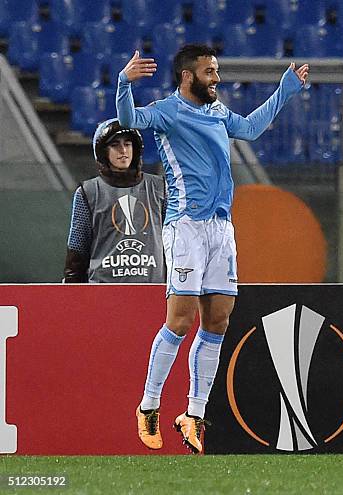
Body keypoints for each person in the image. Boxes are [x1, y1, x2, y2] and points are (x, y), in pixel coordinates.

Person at [116, 44, 309, 453]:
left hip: (221, 229)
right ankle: (149, 405)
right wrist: (124, 84)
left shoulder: (218, 113)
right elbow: (130, 120)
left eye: (216, 70)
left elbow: (252, 128)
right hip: (185, 226)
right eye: (209, 72)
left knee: (218, 321)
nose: (216, 78)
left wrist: (286, 89)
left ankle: (194, 413)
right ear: (188, 76)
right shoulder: (168, 111)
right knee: (181, 320)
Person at [64, 119, 166, 283]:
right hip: (102, 294)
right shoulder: (88, 192)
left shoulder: (160, 188)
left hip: (153, 291)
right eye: (115, 145)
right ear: (103, 152)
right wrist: (71, 294)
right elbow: (77, 251)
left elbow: (176, 243)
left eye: (128, 144)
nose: (123, 150)